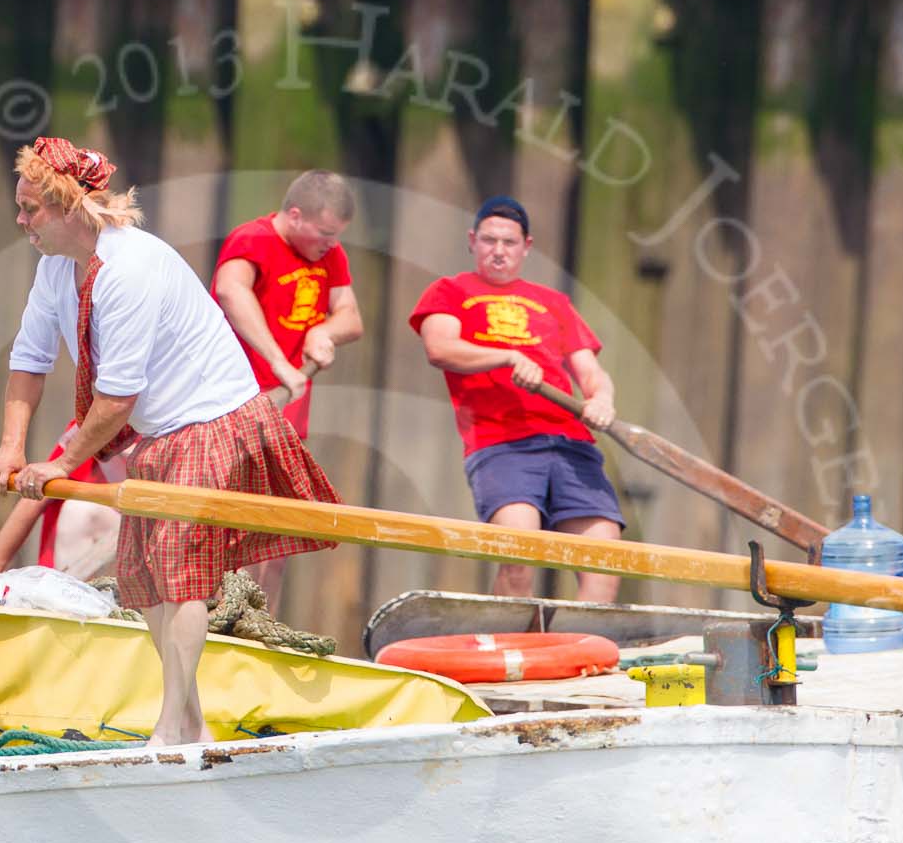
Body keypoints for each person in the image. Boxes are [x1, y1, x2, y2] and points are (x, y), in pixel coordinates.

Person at [0, 138, 338, 745]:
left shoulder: (129, 269)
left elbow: (118, 398)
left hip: (215, 422)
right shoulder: (55, 269)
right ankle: (191, 723)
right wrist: (12, 448)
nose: (20, 221)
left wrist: (61, 463)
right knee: (147, 586)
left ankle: (170, 728)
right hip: (161, 436)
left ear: (72, 207)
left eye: (31, 209)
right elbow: (29, 358)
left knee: (180, 579)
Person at [410, 196, 623, 604]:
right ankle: (512, 656)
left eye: (509, 243)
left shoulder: (554, 302)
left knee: (606, 556)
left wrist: (602, 399)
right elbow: (440, 348)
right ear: (472, 241)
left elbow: (591, 372)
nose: (498, 251)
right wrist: (508, 356)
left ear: (527, 246)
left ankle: (584, 655)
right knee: (518, 553)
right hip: (501, 444)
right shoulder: (450, 291)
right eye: (489, 241)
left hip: (571, 442)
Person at [212, 171, 363, 609]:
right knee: (229, 533)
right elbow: (229, 291)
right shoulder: (252, 240)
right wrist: (280, 362)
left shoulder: (328, 254)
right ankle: (220, 622)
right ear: (295, 216)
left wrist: (325, 331)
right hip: (234, 412)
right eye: (325, 233)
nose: (331, 245)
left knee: (275, 541)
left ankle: (257, 627)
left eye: (336, 237)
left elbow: (351, 316)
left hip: (285, 421)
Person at [0, 422, 124, 580]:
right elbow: (33, 500)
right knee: (78, 511)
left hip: (132, 557)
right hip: (67, 570)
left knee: (81, 512)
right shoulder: (93, 424)